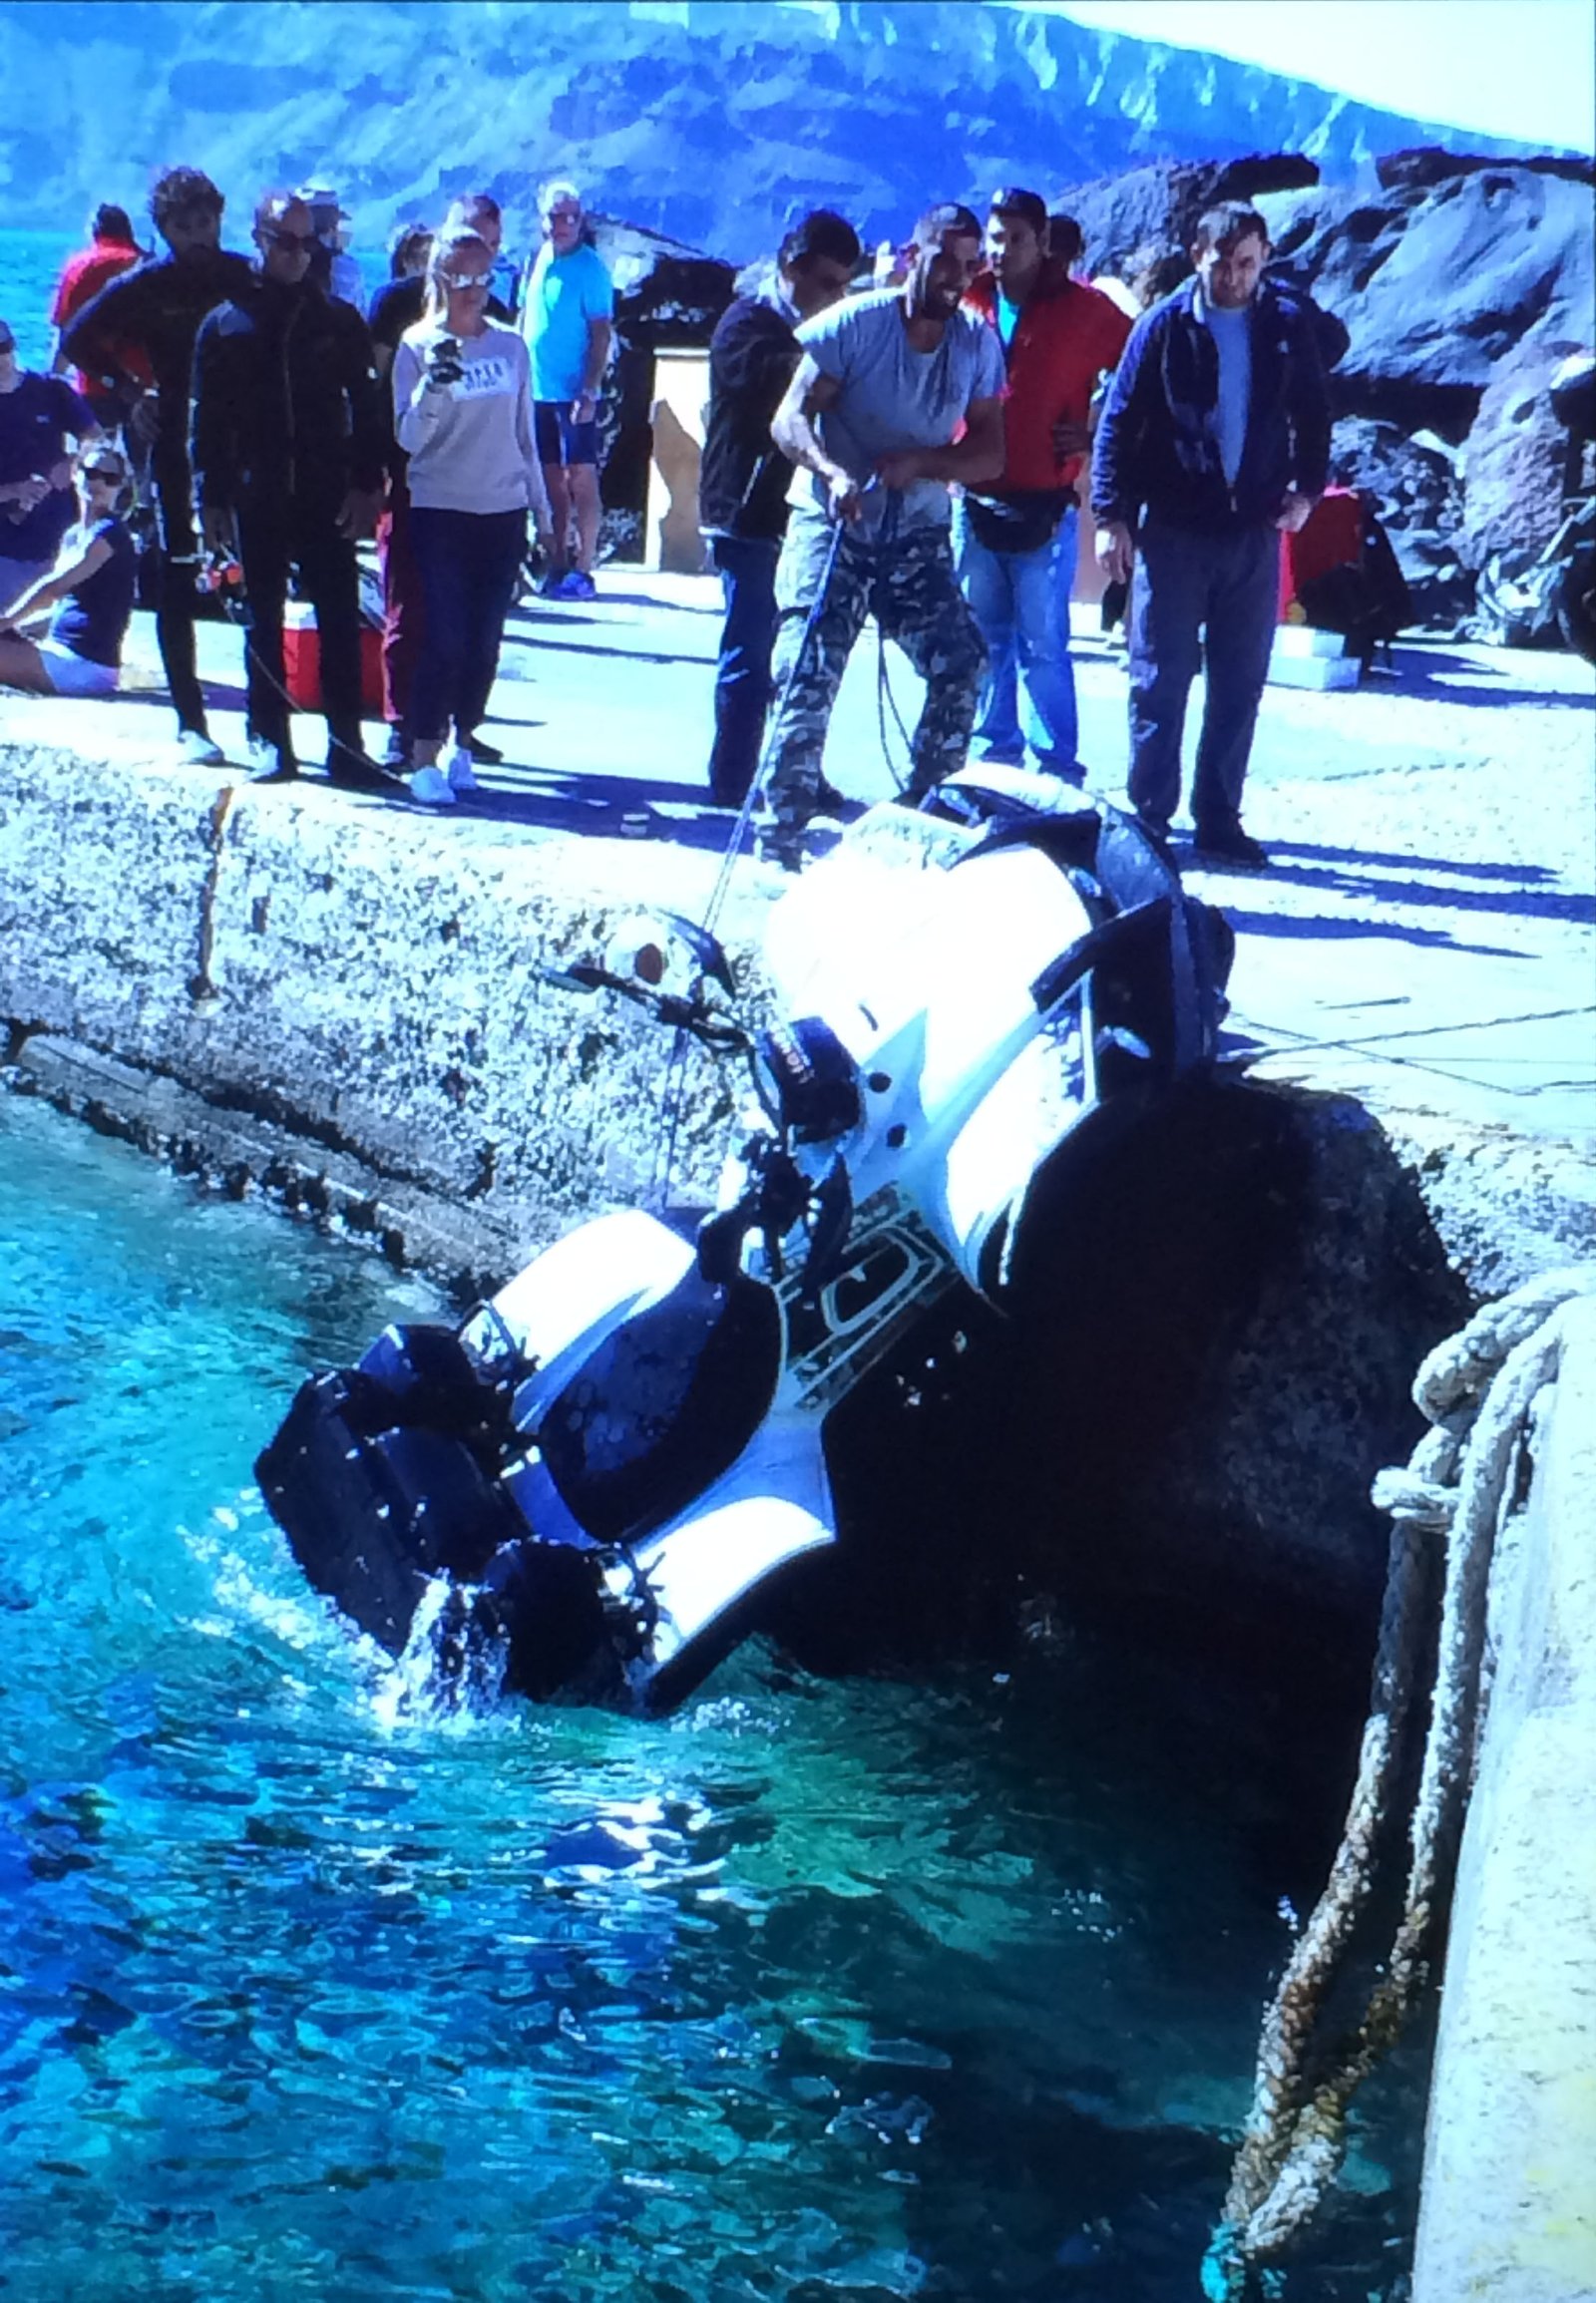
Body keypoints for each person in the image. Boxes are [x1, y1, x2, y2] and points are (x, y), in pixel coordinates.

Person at [761, 200, 1004, 871]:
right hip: (834, 521)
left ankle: (922, 822)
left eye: (969, 264)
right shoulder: (853, 326)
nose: (957, 278)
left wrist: (925, 463)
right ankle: (779, 836)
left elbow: (990, 453)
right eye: (944, 261)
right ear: (910, 258)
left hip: (916, 533)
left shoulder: (978, 346)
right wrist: (832, 472)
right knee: (805, 669)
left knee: (962, 665)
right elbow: (789, 420)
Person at [1093, 199, 1330, 871]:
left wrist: (1307, 492)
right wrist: (1111, 517)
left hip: (1253, 530)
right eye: (1223, 263)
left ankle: (1219, 817)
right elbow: (1118, 420)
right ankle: (1149, 820)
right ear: (1198, 255)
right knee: (1159, 679)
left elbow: (1314, 413)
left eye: (1248, 263)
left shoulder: (1284, 323)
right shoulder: (1165, 325)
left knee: (1240, 681)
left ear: (1264, 260)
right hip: (1173, 531)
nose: (1235, 277)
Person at [191, 192, 389, 788]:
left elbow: (369, 408)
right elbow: (208, 422)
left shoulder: (337, 320)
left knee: (337, 618)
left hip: (326, 493)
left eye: (307, 243)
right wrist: (212, 499)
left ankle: (347, 747)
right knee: (262, 619)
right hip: (258, 492)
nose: (297, 255)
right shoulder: (227, 323)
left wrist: (366, 485)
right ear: (258, 238)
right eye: (285, 241)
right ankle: (268, 739)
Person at [63, 166, 254, 765]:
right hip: (170, 439)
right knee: (177, 571)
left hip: (241, 439)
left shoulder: (241, 276)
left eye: (206, 223)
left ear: (220, 219)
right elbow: (75, 339)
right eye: (184, 227)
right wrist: (127, 390)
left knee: (256, 572)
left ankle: (265, 721)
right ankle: (189, 719)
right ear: (164, 230)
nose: (198, 236)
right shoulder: (147, 283)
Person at [960, 188, 1130, 780]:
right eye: (995, 237)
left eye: (1016, 239)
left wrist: (1098, 432)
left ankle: (1057, 772)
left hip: (1045, 503)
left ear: (1042, 242)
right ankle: (992, 759)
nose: (1001, 250)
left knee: (1044, 644)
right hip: (974, 498)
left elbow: (1140, 370)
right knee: (983, 638)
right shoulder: (969, 295)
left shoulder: (1083, 309)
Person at [698, 208, 861, 808]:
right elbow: (793, 385)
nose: (836, 298)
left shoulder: (819, 328)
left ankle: (795, 773)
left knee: (804, 655)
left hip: (801, 514)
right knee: (749, 655)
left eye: (846, 286)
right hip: (746, 513)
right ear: (792, 267)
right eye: (827, 284)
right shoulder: (746, 326)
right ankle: (734, 780)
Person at [392, 225, 546, 806]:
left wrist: (544, 512)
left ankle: (464, 742)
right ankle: (421, 754)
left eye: (483, 279)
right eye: (460, 280)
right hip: (440, 509)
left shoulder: (510, 347)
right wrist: (433, 386)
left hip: (502, 508)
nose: (472, 292)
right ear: (438, 279)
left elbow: (524, 435)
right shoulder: (415, 344)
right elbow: (408, 439)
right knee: (445, 635)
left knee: (485, 641)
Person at [368, 197, 512, 770]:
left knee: (473, 622)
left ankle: (461, 730)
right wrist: (370, 472)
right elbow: (375, 395)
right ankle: (401, 725)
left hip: (482, 493)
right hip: (408, 478)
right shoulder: (397, 308)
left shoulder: (498, 317)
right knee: (410, 609)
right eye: (468, 245)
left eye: (492, 250)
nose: (476, 267)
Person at [519, 179, 613, 599]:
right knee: (549, 479)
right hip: (536, 390)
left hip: (574, 392)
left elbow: (600, 334)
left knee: (581, 477)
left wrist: (589, 390)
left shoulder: (591, 269)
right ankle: (556, 560)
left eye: (572, 217)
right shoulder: (538, 260)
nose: (564, 225)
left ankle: (585, 565)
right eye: (557, 217)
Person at [0, 444, 136, 695]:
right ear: (75, 473)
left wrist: (6, 621)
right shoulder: (73, 535)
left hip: (84, 664)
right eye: (92, 473)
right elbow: (58, 605)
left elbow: (53, 589)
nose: (100, 483)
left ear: (120, 487)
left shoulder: (108, 534)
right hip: (57, 652)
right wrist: (18, 629)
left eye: (110, 478)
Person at [0, 316, 102, 612]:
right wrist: (14, 491)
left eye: (3, 348)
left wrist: (71, 464)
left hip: (54, 538)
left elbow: (95, 439)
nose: (0, 359)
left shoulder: (50, 391)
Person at [49, 204, 147, 427]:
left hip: (93, 384)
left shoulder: (78, 266)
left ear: (94, 230)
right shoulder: (145, 264)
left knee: (97, 454)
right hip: (143, 385)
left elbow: (66, 332)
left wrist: (54, 383)